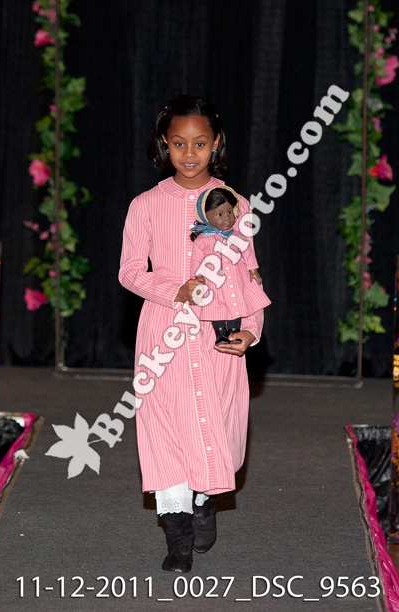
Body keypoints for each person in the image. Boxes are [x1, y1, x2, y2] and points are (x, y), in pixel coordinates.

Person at [118, 95, 269, 574]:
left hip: (218, 337)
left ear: (216, 143)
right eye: (179, 143)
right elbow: (129, 272)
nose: (189, 153)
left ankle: (204, 498)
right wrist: (174, 290)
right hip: (163, 333)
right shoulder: (145, 205)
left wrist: (251, 330)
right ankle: (177, 534)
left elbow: (250, 274)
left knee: (218, 422)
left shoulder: (235, 204)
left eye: (200, 143)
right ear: (164, 144)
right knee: (164, 428)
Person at [189, 185, 271, 346]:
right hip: (214, 283)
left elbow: (248, 253)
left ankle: (234, 332)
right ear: (206, 217)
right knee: (216, 307)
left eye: (229, 212)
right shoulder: (202, 241)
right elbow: (196, 260)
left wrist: (253, 270)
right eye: (220, 214)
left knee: (236, 305)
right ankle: (220, 334)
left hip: (236, 279)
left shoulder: (237, 236)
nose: (227, 218)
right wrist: (198, 277)